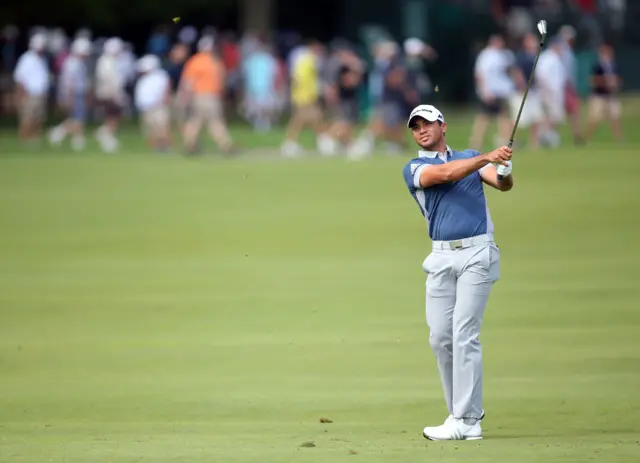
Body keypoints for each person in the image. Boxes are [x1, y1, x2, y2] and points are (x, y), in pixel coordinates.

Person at [401, 104, 514, 441]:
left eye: (427, 123)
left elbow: (502, 184)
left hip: (478, 253)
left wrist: (504, 167)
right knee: (440, 337)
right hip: (440, 259)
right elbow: (447, 174)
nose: (421, 130)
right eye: (415, 126)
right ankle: (459, 416)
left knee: (465, 332)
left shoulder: (470, 156)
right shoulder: (414, 167)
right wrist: (488, 156)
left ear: (443, 126)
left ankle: (467, 419)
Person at [179, 35, 234, 155]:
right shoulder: (216, 62)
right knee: (213, 121)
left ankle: (190, 144)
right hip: (213, 96)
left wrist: (185, 96)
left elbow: (188, 81)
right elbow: (222, 80)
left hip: (199, 96)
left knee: (195, 120)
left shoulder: (195, 61)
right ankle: (225, 145)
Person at [470, 35, 515, 150]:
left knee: (503, 115)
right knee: (484, 116)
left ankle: (505, 139)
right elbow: (480, 74)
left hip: (501, 91)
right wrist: (485, 90)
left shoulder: (503, 55)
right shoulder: (486, 56)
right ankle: (476, 140)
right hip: (490, 91)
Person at [48, 37, 92, 151]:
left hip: (78, 93)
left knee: (77, 119)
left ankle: (76, 140)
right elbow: (69, 83)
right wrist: (69, 98)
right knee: (77, 120)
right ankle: (61, 133)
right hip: (73, 94)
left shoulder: (79, 63)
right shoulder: (72, 63)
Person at [509, 32, 545, 149]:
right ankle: (511, 142)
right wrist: (522, 85)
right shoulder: (522, 56)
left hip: (533, 90)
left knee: (536, 117)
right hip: (522, 91)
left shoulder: (536, 56)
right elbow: (517, 72)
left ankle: (534, 142)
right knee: (519, 119)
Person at [13, 32, 49, 144]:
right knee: (27, 117)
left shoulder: (43, 59)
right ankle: (24, 140)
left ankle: (34, 139)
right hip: (29, 93)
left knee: (38, 118)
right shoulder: (26, 59)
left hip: (41, 93)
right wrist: (21, 94)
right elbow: (20, 78)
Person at [584, 43, 623, 142]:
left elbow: (618, 79)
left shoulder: (614, 65)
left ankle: (619, 139)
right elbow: (593, 80)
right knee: (594, 119)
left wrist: (615, 84)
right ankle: (587, 138)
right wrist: (606, 82)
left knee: (615, 117)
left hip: (611, 96)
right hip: (599, 96)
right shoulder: (597, 66)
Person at [94, 37, 126, 153]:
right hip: (109, 94)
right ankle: (104, 134)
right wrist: (116, 94)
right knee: (112, 118)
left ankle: (106, 136)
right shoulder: (106, 61)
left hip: (112, 94)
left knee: (114, 118)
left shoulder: (111, 61)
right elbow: (109, 80)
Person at [134, 54, 172, 152]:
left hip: (158, 106)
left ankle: (166, 147)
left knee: (162, 127)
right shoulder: (143, 78)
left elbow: (166, 90)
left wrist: (164, 100)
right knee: (150, 129)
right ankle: (156, 148)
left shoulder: (161, 76)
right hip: (146, 107)